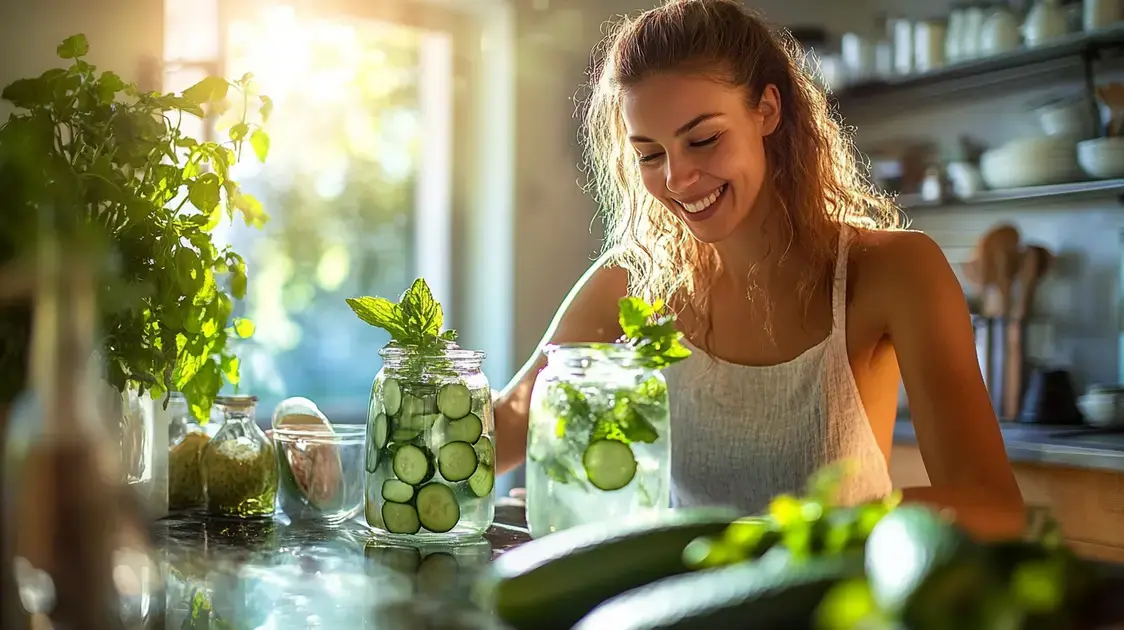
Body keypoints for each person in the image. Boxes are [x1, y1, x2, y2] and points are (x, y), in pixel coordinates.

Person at [494, 0, 1025, 538]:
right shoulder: (636, 279)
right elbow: (508, 423)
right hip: (683, 608)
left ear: (766, 110)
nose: (677, 178)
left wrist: (797, 531)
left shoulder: (893, 271)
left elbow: (992, 506)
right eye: (650, 155)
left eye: (703, 140)